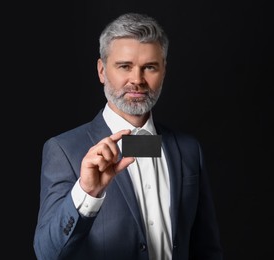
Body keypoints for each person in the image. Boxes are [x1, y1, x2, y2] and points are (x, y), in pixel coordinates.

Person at [33, 12, 223, 260]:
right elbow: (47, 253)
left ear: (164, 71)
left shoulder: (188, 150)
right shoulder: (64, 150)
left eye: (150, 67)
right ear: (102, 71)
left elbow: (207, 249)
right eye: (124, 66)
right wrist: (86, 193)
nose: (137, 80)